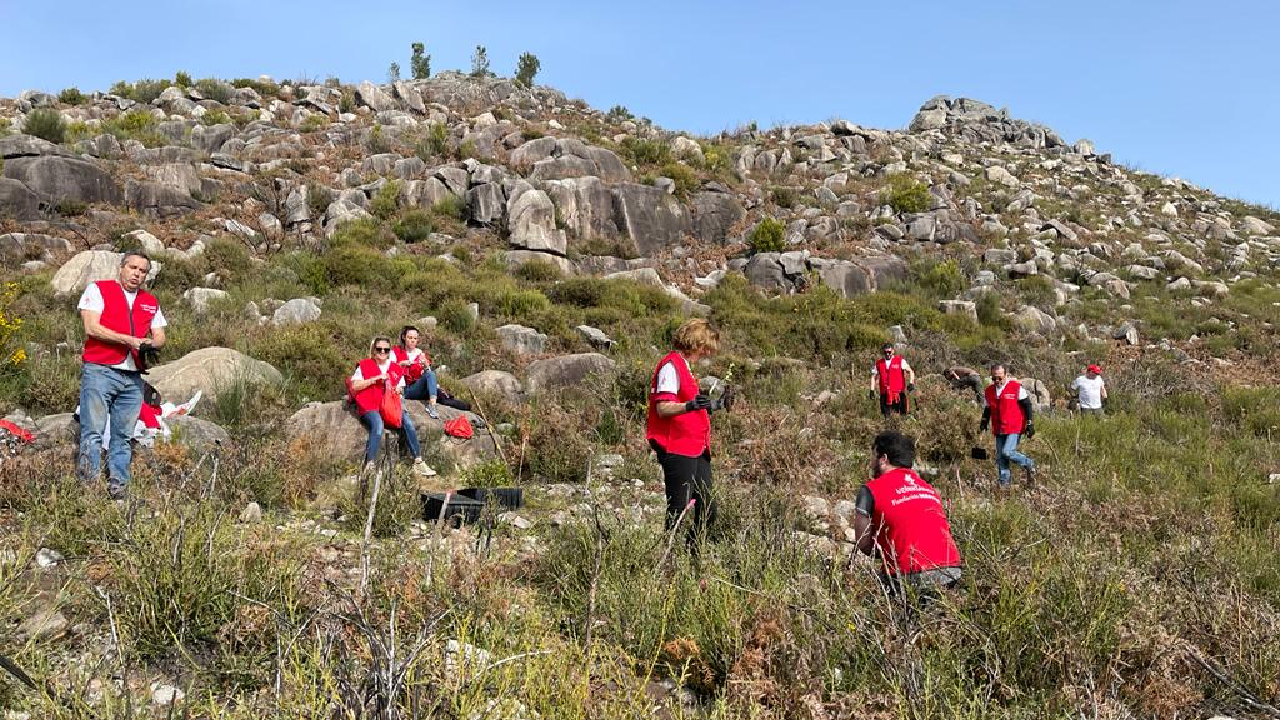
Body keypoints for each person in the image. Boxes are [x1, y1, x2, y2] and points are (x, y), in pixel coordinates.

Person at [77, 251, 167, 498]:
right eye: (133, 268)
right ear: (121, 268)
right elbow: (91, 327)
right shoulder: (98, 290)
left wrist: (151, 343)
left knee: (123, 436)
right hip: (100, 370)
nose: (137, 274)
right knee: (93, 432)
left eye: (142, 271)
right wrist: (129, 340)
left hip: (133, 376)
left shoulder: (150, 301)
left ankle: (119, 490)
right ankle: (89, 491)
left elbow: (160, 334)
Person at [646, 319, 731, 550]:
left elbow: (691, 405)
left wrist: (715, 405)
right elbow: (663, 407)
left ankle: (692, 553)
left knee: (708, 508)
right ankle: (668, 560)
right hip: (677, 447)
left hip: (696, 447)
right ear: (695, 343)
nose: (706, 353)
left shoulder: (684, 367)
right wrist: (691, 406)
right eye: (705, 348)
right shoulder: (670, 366)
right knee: (678, 509)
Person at [853, 430, 963, 596]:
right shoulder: (927, 487)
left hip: (909, 571)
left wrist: (885, 549)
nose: (871, 462)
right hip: (951, 568)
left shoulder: (870, 490)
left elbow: (863, 543)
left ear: (883, 459)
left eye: (873, 456)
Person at [349, 336, 436, 477]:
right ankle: (369, 464)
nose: (382, 352)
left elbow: (401, 386)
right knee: (377, 426)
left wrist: (398, 390)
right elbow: (355, 385)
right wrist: (374, 379)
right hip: (370, 404)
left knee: (407, 422)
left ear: (389, 351)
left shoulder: (395, 367)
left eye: (386, 349)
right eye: (379, 349)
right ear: (374, 350)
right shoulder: (364, 365)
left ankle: (418, 462)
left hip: (389, 404)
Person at [979, 364, 1036, 487]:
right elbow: (988, 408)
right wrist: (984, 421)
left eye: (1000, 378)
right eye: (994, 378)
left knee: (1007, 452)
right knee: (1001, 457)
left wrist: (1030, 423)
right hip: (998, 427)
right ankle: (1004, 484)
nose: (997, 381)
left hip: (1014, 427)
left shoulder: (1016, 388)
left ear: (1006, 375)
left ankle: (1029, 463)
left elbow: (1027, 405)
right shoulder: (989, 391)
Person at [393, 325, 439, 420]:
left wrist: (426, 365)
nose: (413, 340)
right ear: (404, 337)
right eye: (410, 338)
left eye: (415, 338)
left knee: (430, 374)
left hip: (415, 387)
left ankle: (432, 405)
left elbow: (428, 374)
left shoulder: (419, 353)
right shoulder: (396, 351)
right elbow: (389, 369)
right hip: (402, 389)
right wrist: (401, 363)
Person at [866, 343, 915, 417]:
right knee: (886, 417)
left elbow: (911, 372)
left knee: (902, 416)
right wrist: (872, 390)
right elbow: (873, 377)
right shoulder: (878, 363)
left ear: (893, 351)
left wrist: (911, 383)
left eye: (889, 352)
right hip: (885, 394)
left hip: (898, 394)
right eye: (885, 352)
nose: (887, 354)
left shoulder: (900, 361)